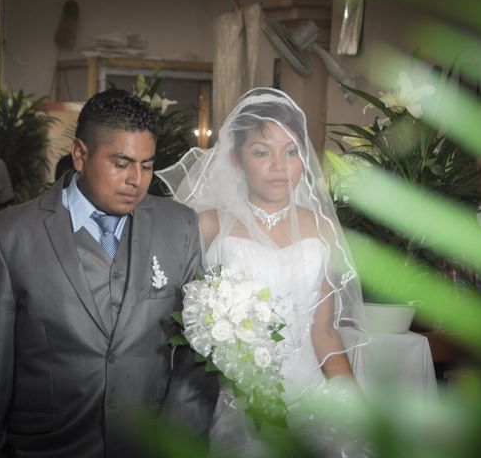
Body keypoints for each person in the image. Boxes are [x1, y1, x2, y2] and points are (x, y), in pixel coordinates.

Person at [0, 89, 218, 457]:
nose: (137, 180)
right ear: (80, 155)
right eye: (121, 162)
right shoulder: (9, 236)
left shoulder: (179, 226)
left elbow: (198, 352)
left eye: (147, 165)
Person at [158, 88, 370, 456]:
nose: (279, 166)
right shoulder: (207, 226)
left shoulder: (323, 228)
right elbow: (171, 315)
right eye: (262, 152)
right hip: (236, 403)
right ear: (235, 159)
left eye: (291, 152)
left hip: (312, 398)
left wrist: (352, 398)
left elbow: (323, 330)